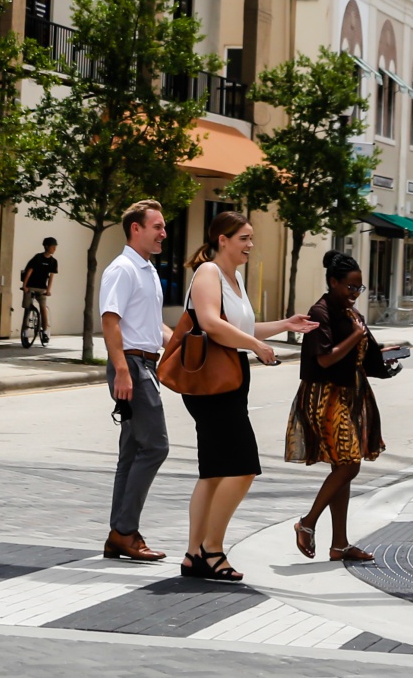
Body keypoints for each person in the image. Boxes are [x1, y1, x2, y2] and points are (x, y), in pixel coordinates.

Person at [177, 212, 313, 582]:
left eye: (251, 238)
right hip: (211, 381)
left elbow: (242, 326)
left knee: (214, 470)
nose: (250, 245)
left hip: (230, 379)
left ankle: (194, 555)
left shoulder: (233, 276)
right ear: (222, 239)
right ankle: (212, 549)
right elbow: (209, 322)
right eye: (243, 239)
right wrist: (256, 345)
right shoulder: (208, 273)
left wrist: (284, 325)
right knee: (242, 466)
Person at [287, 248, 390, 562]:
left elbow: (363, 355)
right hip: (325, 395)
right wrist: (356, 335)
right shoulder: (321, 312)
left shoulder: (351, 313)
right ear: (333, 281)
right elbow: (326, 357)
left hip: (350, 393)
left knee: (341, 468)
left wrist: (386, 357)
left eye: (359, 289)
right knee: (349, 463)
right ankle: (307, 523)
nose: (355, 294)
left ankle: (340, 545)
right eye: (350, 287)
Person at [99, 201, 170, 562]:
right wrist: (122, 371)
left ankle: (120, 533)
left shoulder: (147, 270)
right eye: (157, 226)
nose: (163, 233)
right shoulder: (123, 269)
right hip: (132, 366)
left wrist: (181, 345)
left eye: (163, 227)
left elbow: (149, 324)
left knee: (131, 452)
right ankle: (125, 531)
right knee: (155, 447)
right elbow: (110, 321)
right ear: (136, 229)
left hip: (145, 365)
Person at [20, 237, 58, 338]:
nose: (54, 248)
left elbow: (51, 277)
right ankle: (25, 330)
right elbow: (29, 272)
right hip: (31, 286)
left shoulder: (53, 262)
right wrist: (24, 286)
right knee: (27, 308)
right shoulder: (38, 258)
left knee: (43, 308)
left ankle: (45, 331)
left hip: (42, 288)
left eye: (55, 246)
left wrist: (48, 290)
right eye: (53, 246)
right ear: (46, 246)